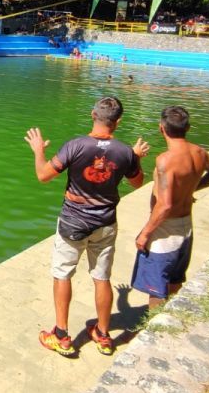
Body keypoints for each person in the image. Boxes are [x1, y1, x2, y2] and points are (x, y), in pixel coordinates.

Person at [25, 97, 150, 356]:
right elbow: (138, 183)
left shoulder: (75, 146)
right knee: (101, 277)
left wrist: (38, 150)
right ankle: (103, 336)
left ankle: (61, 334)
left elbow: (43, 176)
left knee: (62, 274)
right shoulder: (125, 151)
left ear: (93, 114)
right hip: (105, 222)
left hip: (73, 221)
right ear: (118, 122)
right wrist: (135, 158)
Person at [132, 106, 209, 307]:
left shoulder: (166, 160)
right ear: (188, 128)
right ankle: (171, 316)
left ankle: (154, 331)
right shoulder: (199, 153)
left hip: (165, 229)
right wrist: (192, 189)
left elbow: (164, 205)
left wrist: (145, 233)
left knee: (156, 287)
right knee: (175, 279)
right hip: (186, 226)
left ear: (161, 128)